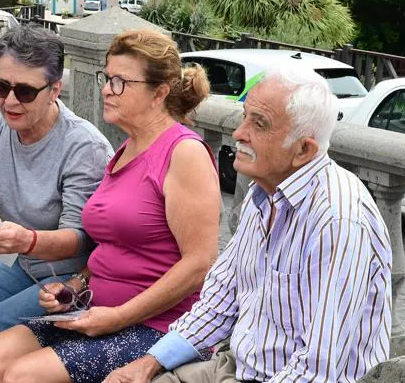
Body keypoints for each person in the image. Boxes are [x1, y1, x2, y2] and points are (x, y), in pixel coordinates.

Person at [105, 66, 392, 383]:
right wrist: (150, 362)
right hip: (239, 365)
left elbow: (316, 369)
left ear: (303, 149)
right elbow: (220, 302)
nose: (239, 133)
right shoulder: (265, 191)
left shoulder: (337, 220)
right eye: (245, 116)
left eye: (259, 124)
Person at [0, 30, 222, 383]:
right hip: (95, 308)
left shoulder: (183, 153)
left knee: (23, 375)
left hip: (155, 326)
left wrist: (118, 316)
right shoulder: (126, 150)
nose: (107, 89)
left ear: (160, 94)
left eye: (120, 82)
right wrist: (76, 285)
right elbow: (110, 246)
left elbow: (200, 264)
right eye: (107, 78)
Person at [0, 25, 114, 383]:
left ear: (55, 90)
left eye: (25, 91)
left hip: (66, 276)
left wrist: (23, 240)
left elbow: (79, 239)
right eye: (0, 87)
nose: (10, 101)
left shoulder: (82, 147)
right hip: (2, 257)